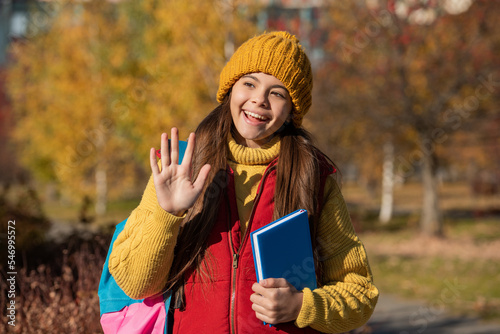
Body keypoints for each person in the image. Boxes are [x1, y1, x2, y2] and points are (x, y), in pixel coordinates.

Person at [108, 31, 378, 334]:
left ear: (291, 111)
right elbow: (136, 284)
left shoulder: (313, 177)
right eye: (249, 83)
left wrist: (303, 306)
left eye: (277, 93)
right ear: (230, 89)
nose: (259, 99)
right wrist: (167, 213)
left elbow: (360, 293)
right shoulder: (182, 166)